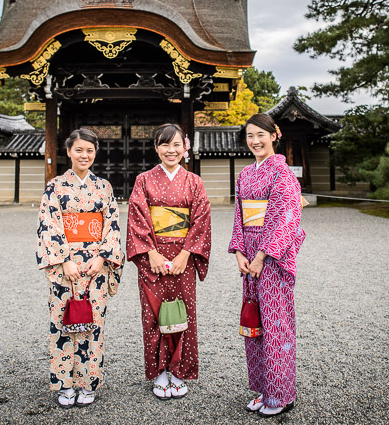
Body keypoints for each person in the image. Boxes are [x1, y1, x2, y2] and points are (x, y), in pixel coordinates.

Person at [35, 128, 124, 408]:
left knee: (93, 325)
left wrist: (102, 258)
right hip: (65, 266)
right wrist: (63, 260)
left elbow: (112, 225)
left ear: (95, 153)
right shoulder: (55, 186)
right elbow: (48, 226)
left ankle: (88, 382)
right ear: (69, 152)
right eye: (79, 150)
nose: (84, 155)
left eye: (90, 150)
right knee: (63, 324)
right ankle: (65, 384)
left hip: (97, 266)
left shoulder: (104, 187)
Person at [228, 113, 306, 417]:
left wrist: (262, 255)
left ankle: (282, 394)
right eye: (250, 135)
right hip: (249, 257)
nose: (255, 141)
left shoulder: (283, 174)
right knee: (255, 326)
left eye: (261, 134)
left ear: (275, 134)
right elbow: (239, 215)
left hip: (272, 260)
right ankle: (264, 388)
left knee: (277, 326)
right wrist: (238, 251)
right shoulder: (246, 173)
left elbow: (287, 218)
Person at [126, 123, 211, 400]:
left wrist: (186, 254)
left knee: (183, 316)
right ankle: (160, 372)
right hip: (153, 257)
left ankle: (179, 371)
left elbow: (201, 221)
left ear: (184, 148)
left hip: (183, 259)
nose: (170, 150)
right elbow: (137, 216)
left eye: (176, 145)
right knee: (153, 315)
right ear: (156, 148)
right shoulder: (143, 180)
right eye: (165, 144)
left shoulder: (194, 182)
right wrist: (150, 252)